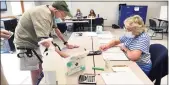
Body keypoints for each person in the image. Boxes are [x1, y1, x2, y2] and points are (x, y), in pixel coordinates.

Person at [14, 1, 79, 85]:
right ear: (56, 10)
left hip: (36, 41)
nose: (64, 17)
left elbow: (56, 30)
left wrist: (66, 43)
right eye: (63, 14)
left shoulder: (51, 13)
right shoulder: (43, 14)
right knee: (36, 70)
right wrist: (65, 55)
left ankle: (46, 82)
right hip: (26, 43)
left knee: (43, 66)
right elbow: (45, 42)